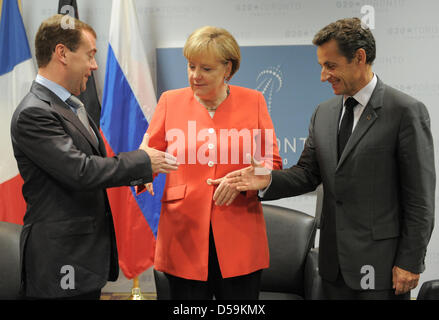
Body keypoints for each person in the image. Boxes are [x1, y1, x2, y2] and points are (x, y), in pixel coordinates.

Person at [225, 17, 435, 300]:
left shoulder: (405, 111)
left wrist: (409, 262)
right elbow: (308, 174)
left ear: (359, 58)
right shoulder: (323, 112)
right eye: (322, 66)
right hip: (332, 267)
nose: (323, 76)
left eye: (331, 66)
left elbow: (420, 199)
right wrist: (266, 180)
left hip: (382, 267)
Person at [10, 14, 178, 300]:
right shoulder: (35, 112)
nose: (94, 65)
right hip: (60, 262)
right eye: (89, 55)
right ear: (62, 53)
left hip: (82, 258)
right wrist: (141, 161)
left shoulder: (70, 105)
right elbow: (80, 171)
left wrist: (140, 174)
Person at [143, 26, 282, 300]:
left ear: (227, 69)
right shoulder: (170, 102)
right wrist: (144, 168)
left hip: (239, 235)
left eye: (205, 69)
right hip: (183, 235)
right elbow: (147, 154)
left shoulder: (253, 102)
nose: (195, 75)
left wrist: (246, 180)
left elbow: (270, 164)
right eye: (191, 66)